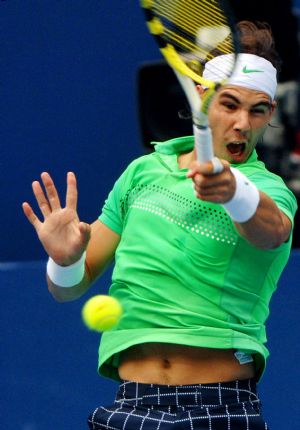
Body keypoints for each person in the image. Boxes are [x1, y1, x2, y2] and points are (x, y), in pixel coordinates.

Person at [23, 21, 297, 430]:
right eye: (229, 104)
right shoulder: (142, 173)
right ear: (202, 97)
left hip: (220, 405)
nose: (243, 122)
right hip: (131, 400)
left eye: (258, 110)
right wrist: (64, 261)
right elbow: (68, 289)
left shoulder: (266, 189)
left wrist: (233, 192)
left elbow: (271, 230)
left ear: (270, 113)